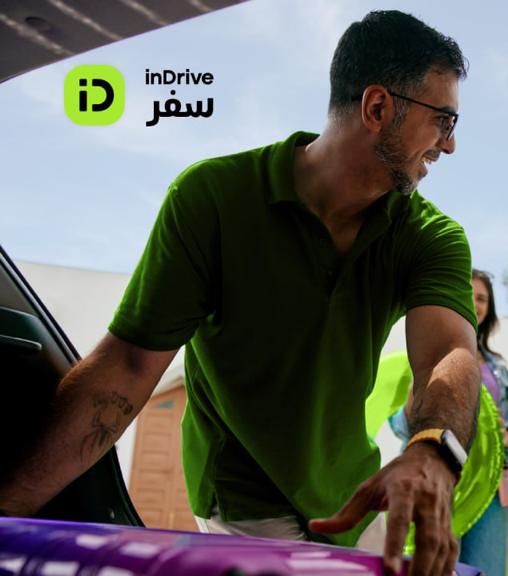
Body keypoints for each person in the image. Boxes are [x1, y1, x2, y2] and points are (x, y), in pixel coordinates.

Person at [0, 11, 479, 576]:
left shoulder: (430, 236)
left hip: (353, 490)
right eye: (443, 119)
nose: (451, 144)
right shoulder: (213, 199)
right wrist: (9, 507)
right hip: (244, 500)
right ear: (377, 108)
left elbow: (449, 352)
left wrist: (432, 450)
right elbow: (127, 366)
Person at [390, 269, 508, 576]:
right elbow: (400, 426)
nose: (474, 303)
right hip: (438, 478)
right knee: (433, 567)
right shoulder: (424, 354)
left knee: (487, 569)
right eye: (468, 294)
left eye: (482, 298)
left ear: (489, 309)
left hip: (491, 484)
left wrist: (505, 436)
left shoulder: (499, 370)